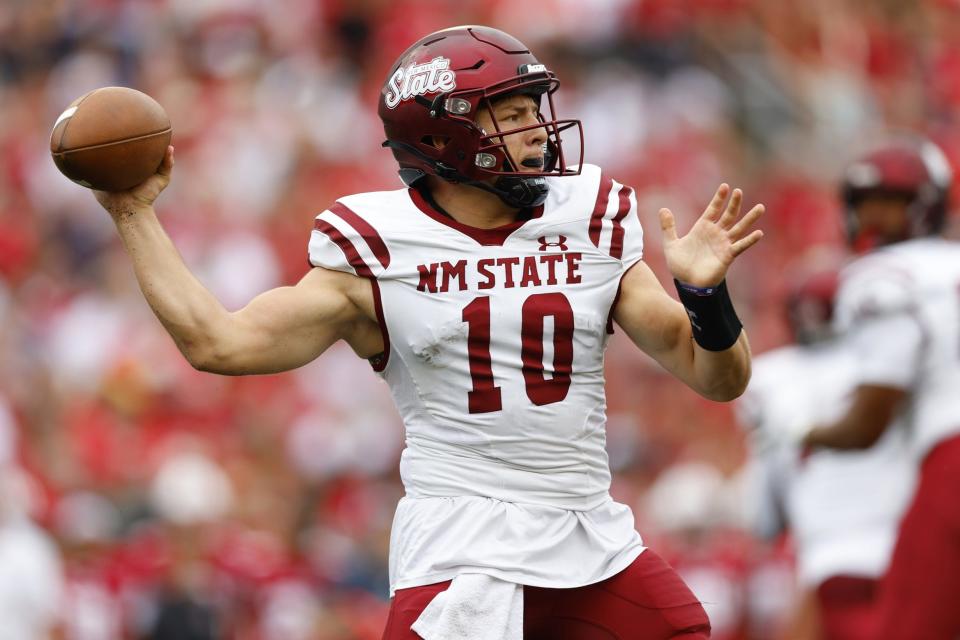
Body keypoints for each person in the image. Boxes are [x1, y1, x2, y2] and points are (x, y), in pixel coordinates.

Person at [90, 26, 764, 639]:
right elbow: (219, 343)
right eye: (515, 113)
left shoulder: (587, 215)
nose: (540, 130)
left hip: (588, 530)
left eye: (536, 109)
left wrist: (705, 296)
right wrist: (132, 213)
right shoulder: (378, 248)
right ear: (445, 136)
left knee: (681, 629)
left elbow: (718, 378)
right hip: (461, 543)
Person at [797, 136, 960, 640]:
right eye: (869, 206)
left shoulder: (881, 277)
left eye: (891, 205)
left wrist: (805, 433)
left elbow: (868, 422)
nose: (876, 221)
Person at [737, 256, 915, 640]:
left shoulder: (769, 379)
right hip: (900, 536)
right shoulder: (883, 362)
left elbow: (766, 511)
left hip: (825, 548)